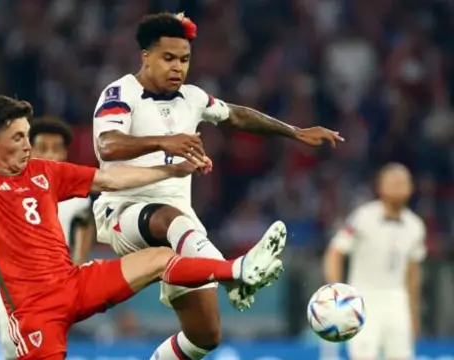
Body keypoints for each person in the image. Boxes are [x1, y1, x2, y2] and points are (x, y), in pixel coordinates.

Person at [0, 82, 281, 360]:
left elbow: (111, 180)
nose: (28, 145)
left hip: (74, 283)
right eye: (19, 137)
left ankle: (237, 270)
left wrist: (173, 169)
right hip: (34, 313)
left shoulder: (44, 172)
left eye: (27, 135)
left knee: (160, 259)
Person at [91, 12, 344, 359]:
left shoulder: (192, 98)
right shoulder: (120, 92)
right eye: (168, 58)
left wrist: (295, 132)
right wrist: (164, 143)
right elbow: (107, 144)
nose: (178, 67)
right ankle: (234, 272)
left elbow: (236, 114)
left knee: (204, 336)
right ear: (145, 56)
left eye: (184, 59)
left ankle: (228, 275)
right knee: (169, 218)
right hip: (124, 213)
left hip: (180, 226)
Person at [0, 117, 94, 360]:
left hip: (53, 293)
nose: (50, 155)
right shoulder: (9, 188)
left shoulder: (76, 196)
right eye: (43, 148)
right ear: (29, 150)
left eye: (57, 149)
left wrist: (77, 269)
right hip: (14, 291)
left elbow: (84, 230)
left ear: (66, 154)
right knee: (14, 353)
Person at [324, 163, 425, 360]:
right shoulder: (363, 217)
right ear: (380, 186)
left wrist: (414, 312)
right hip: (363, 298)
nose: (399, 185)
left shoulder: (416, 226)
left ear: (411, 187)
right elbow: (335, 252)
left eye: (403, 182)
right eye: (393, 181)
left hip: (398, 299)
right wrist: (336, 293)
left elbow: (413, 272)